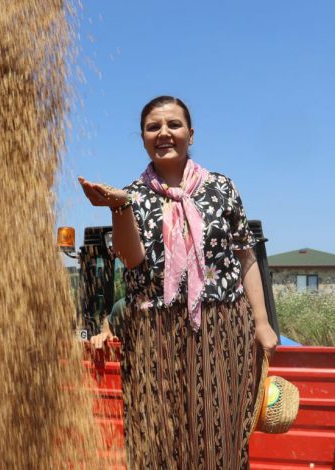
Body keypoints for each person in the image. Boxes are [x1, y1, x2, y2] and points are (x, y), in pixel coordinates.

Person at [79, 96, 278, 468]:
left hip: (222, 326)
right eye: (154, 127)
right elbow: (131, 259)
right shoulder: (133, 195)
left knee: (221, 434)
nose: (164, 133)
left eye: (173, 124)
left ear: (190, 133)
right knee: (156, 433)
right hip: (153, 331)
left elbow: (244, 256)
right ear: (142, 138)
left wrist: (262, 323)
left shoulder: (222, 188)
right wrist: (119, 207)